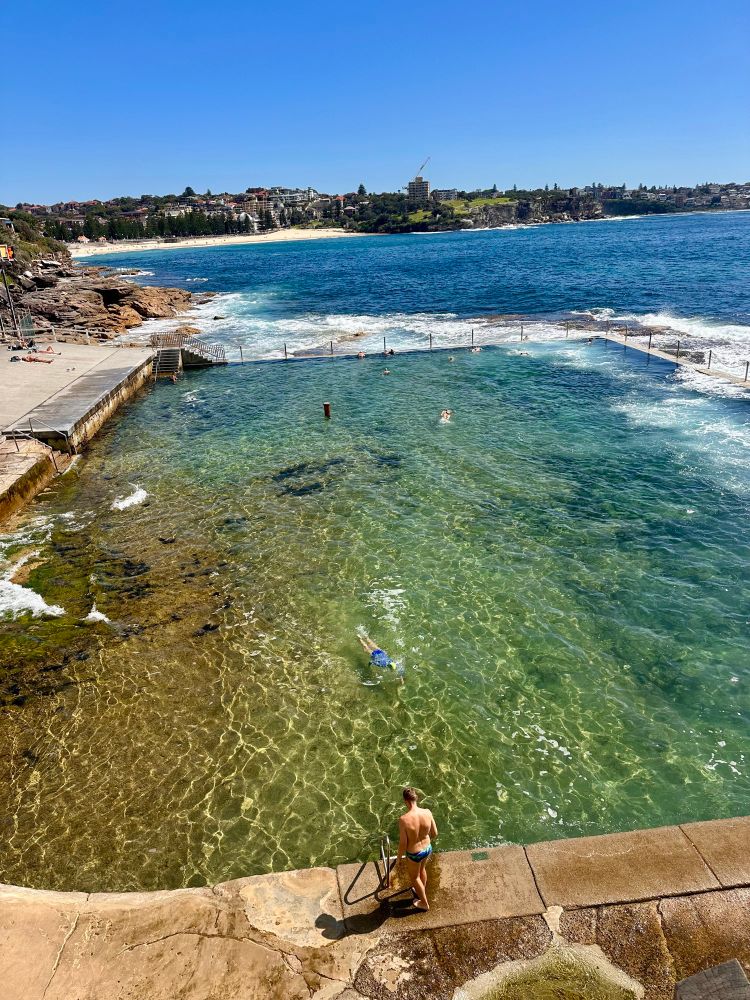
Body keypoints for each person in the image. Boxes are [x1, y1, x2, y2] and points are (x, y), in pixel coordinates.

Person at [392, 787, 437, 910]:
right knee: (422, 870)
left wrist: (399, 858)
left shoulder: (404, 820)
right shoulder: (427, 812)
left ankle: (424, 903)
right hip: (427, 848)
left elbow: (403, 843)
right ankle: (420, 890)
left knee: (415, 877)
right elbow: (435, 833)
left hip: (414, 854)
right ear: (416, 798)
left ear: (406, 801)